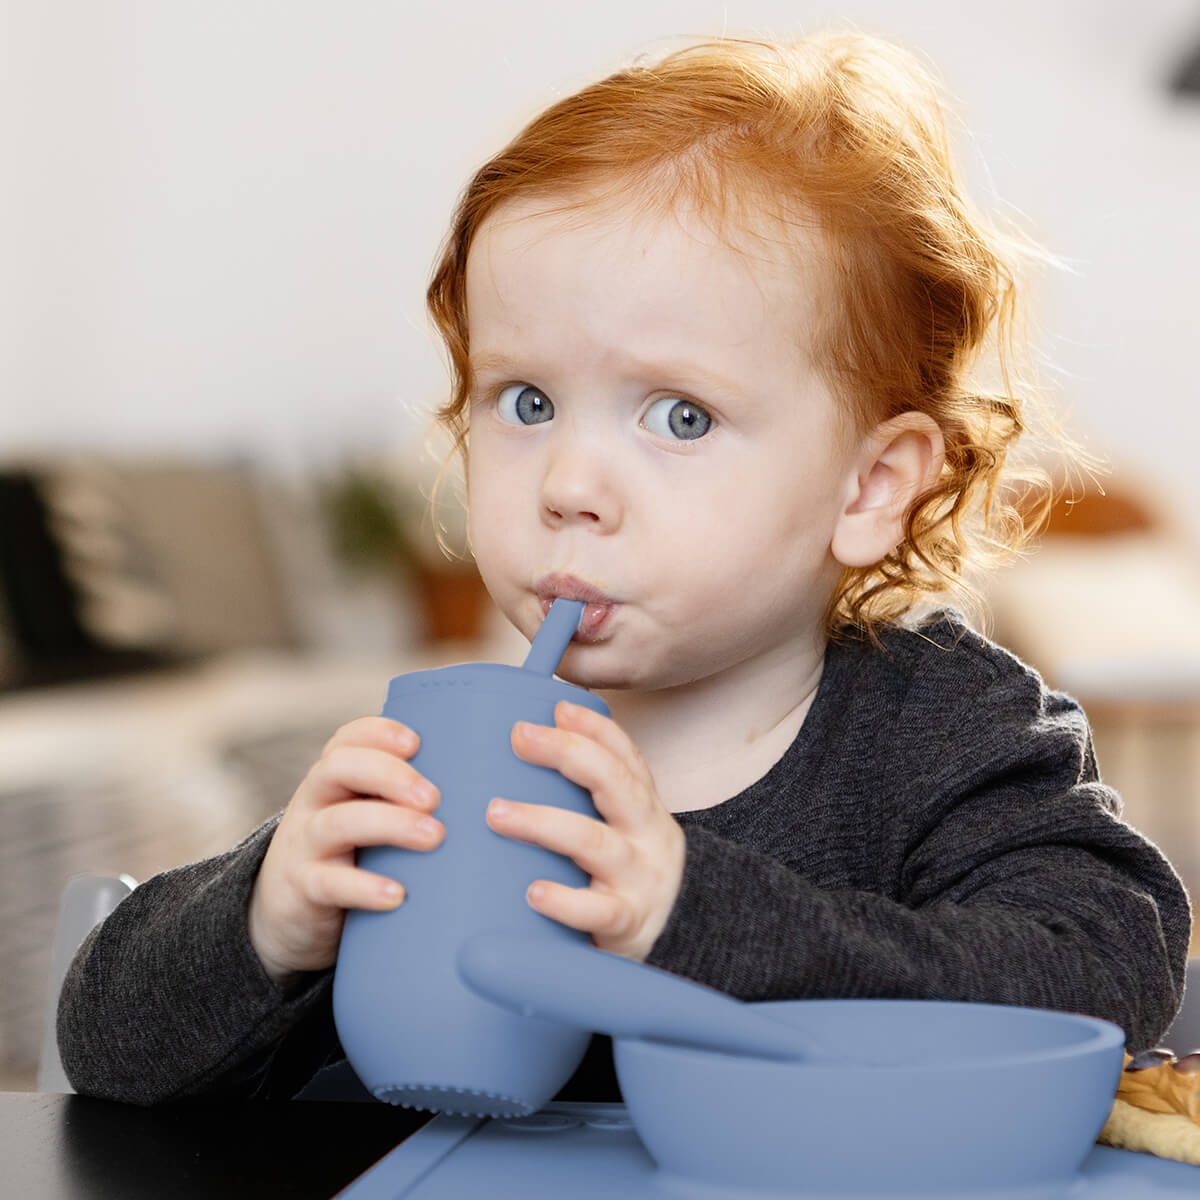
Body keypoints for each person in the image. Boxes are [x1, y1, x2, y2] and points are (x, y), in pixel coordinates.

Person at [58, 30, 1190, 1105]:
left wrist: (693, 916)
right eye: (525, 402)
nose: (568, 484)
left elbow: (1102, 973)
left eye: (680, 416)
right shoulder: (447, 760)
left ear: (868, 487)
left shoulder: (943, 728)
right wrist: (266, 921)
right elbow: (102, 1050)